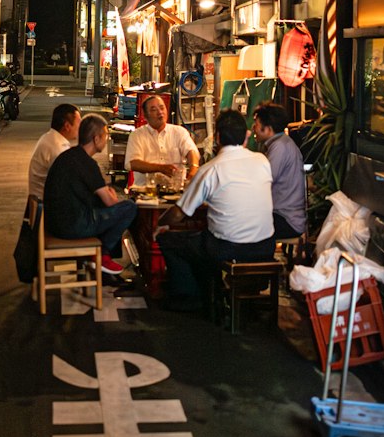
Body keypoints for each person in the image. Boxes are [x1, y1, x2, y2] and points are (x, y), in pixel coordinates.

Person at [155, 108, 274, 312]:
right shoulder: (262, 161)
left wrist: (159, 223)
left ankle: (191, 298)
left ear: (217, 137)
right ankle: (222, 291)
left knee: (170, 239)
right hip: (265, 245)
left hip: (226, 247)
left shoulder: (210, 169)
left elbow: (179, 213)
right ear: (246, 136)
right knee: (202, 240)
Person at [43, 114, 136, 276]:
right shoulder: (87, 164)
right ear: (96, 138)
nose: (106, 140)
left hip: (54, 223)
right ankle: (101, 256)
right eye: (105, 136)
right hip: (72, 225)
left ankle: (102, 267)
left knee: (102, 209)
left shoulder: (69, 156)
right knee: (129, 207)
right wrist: (111, 195)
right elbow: (110, 202)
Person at [251, 102, 306, 240]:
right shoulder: (280, 143)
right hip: (281, 215)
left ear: (268, 129)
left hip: (287, 219)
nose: (253, 129)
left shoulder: (280, 147)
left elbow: (265, 180)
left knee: (241, 226)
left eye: (256, 125)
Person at [124, 94, 200, 187]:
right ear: (145, 116)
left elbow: (191, 151)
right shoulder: (137, 135)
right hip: (146, 191)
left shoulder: (179, 132)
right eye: (153, 110)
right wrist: (160, 168)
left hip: (174, 189)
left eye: (162, 108)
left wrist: (194, 168)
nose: (160, 112)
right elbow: (132, 163)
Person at [27, 103, 80, 203]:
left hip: (43, 200)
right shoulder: (57, 148)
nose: (80, 127)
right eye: (79, 123)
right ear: (67, 126)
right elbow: (69, 181)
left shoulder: (49, 137)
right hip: (50, 205)